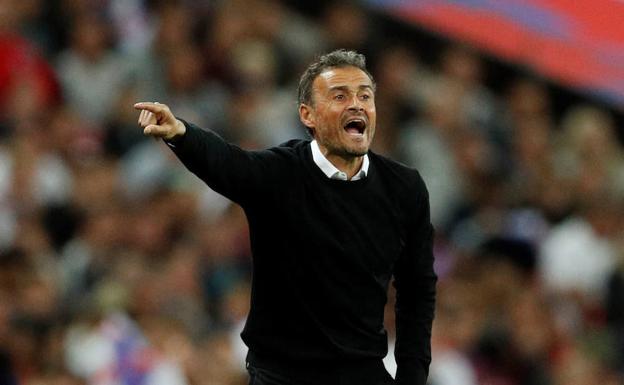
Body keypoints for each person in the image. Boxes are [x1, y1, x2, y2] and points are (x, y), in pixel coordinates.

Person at [134, 49, 436, 385]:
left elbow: (417, 290)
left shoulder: (405, 189)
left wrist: (412, 377)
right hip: (282, 375)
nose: (356, 104)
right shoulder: (281, 174)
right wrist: (181, 134)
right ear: (308, 115)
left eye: (365, 96)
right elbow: (229, 164)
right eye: (340, 96)